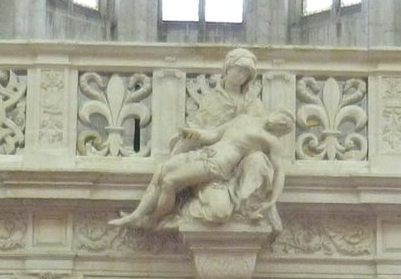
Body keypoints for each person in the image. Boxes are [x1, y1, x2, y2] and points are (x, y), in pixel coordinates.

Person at [111, 49, 292, 230]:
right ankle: (139, 216)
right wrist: (193, 134)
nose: (241, 75)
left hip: (223, 167)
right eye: (238, 69)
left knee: (186, 191)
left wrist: (272, 200)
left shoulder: (257, 111)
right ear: (227, 68)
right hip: (206, 153)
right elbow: (212, 133)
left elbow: (277, 168)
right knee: (164, 173)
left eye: (246, 72)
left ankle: (160, 217)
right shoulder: (217, 103)